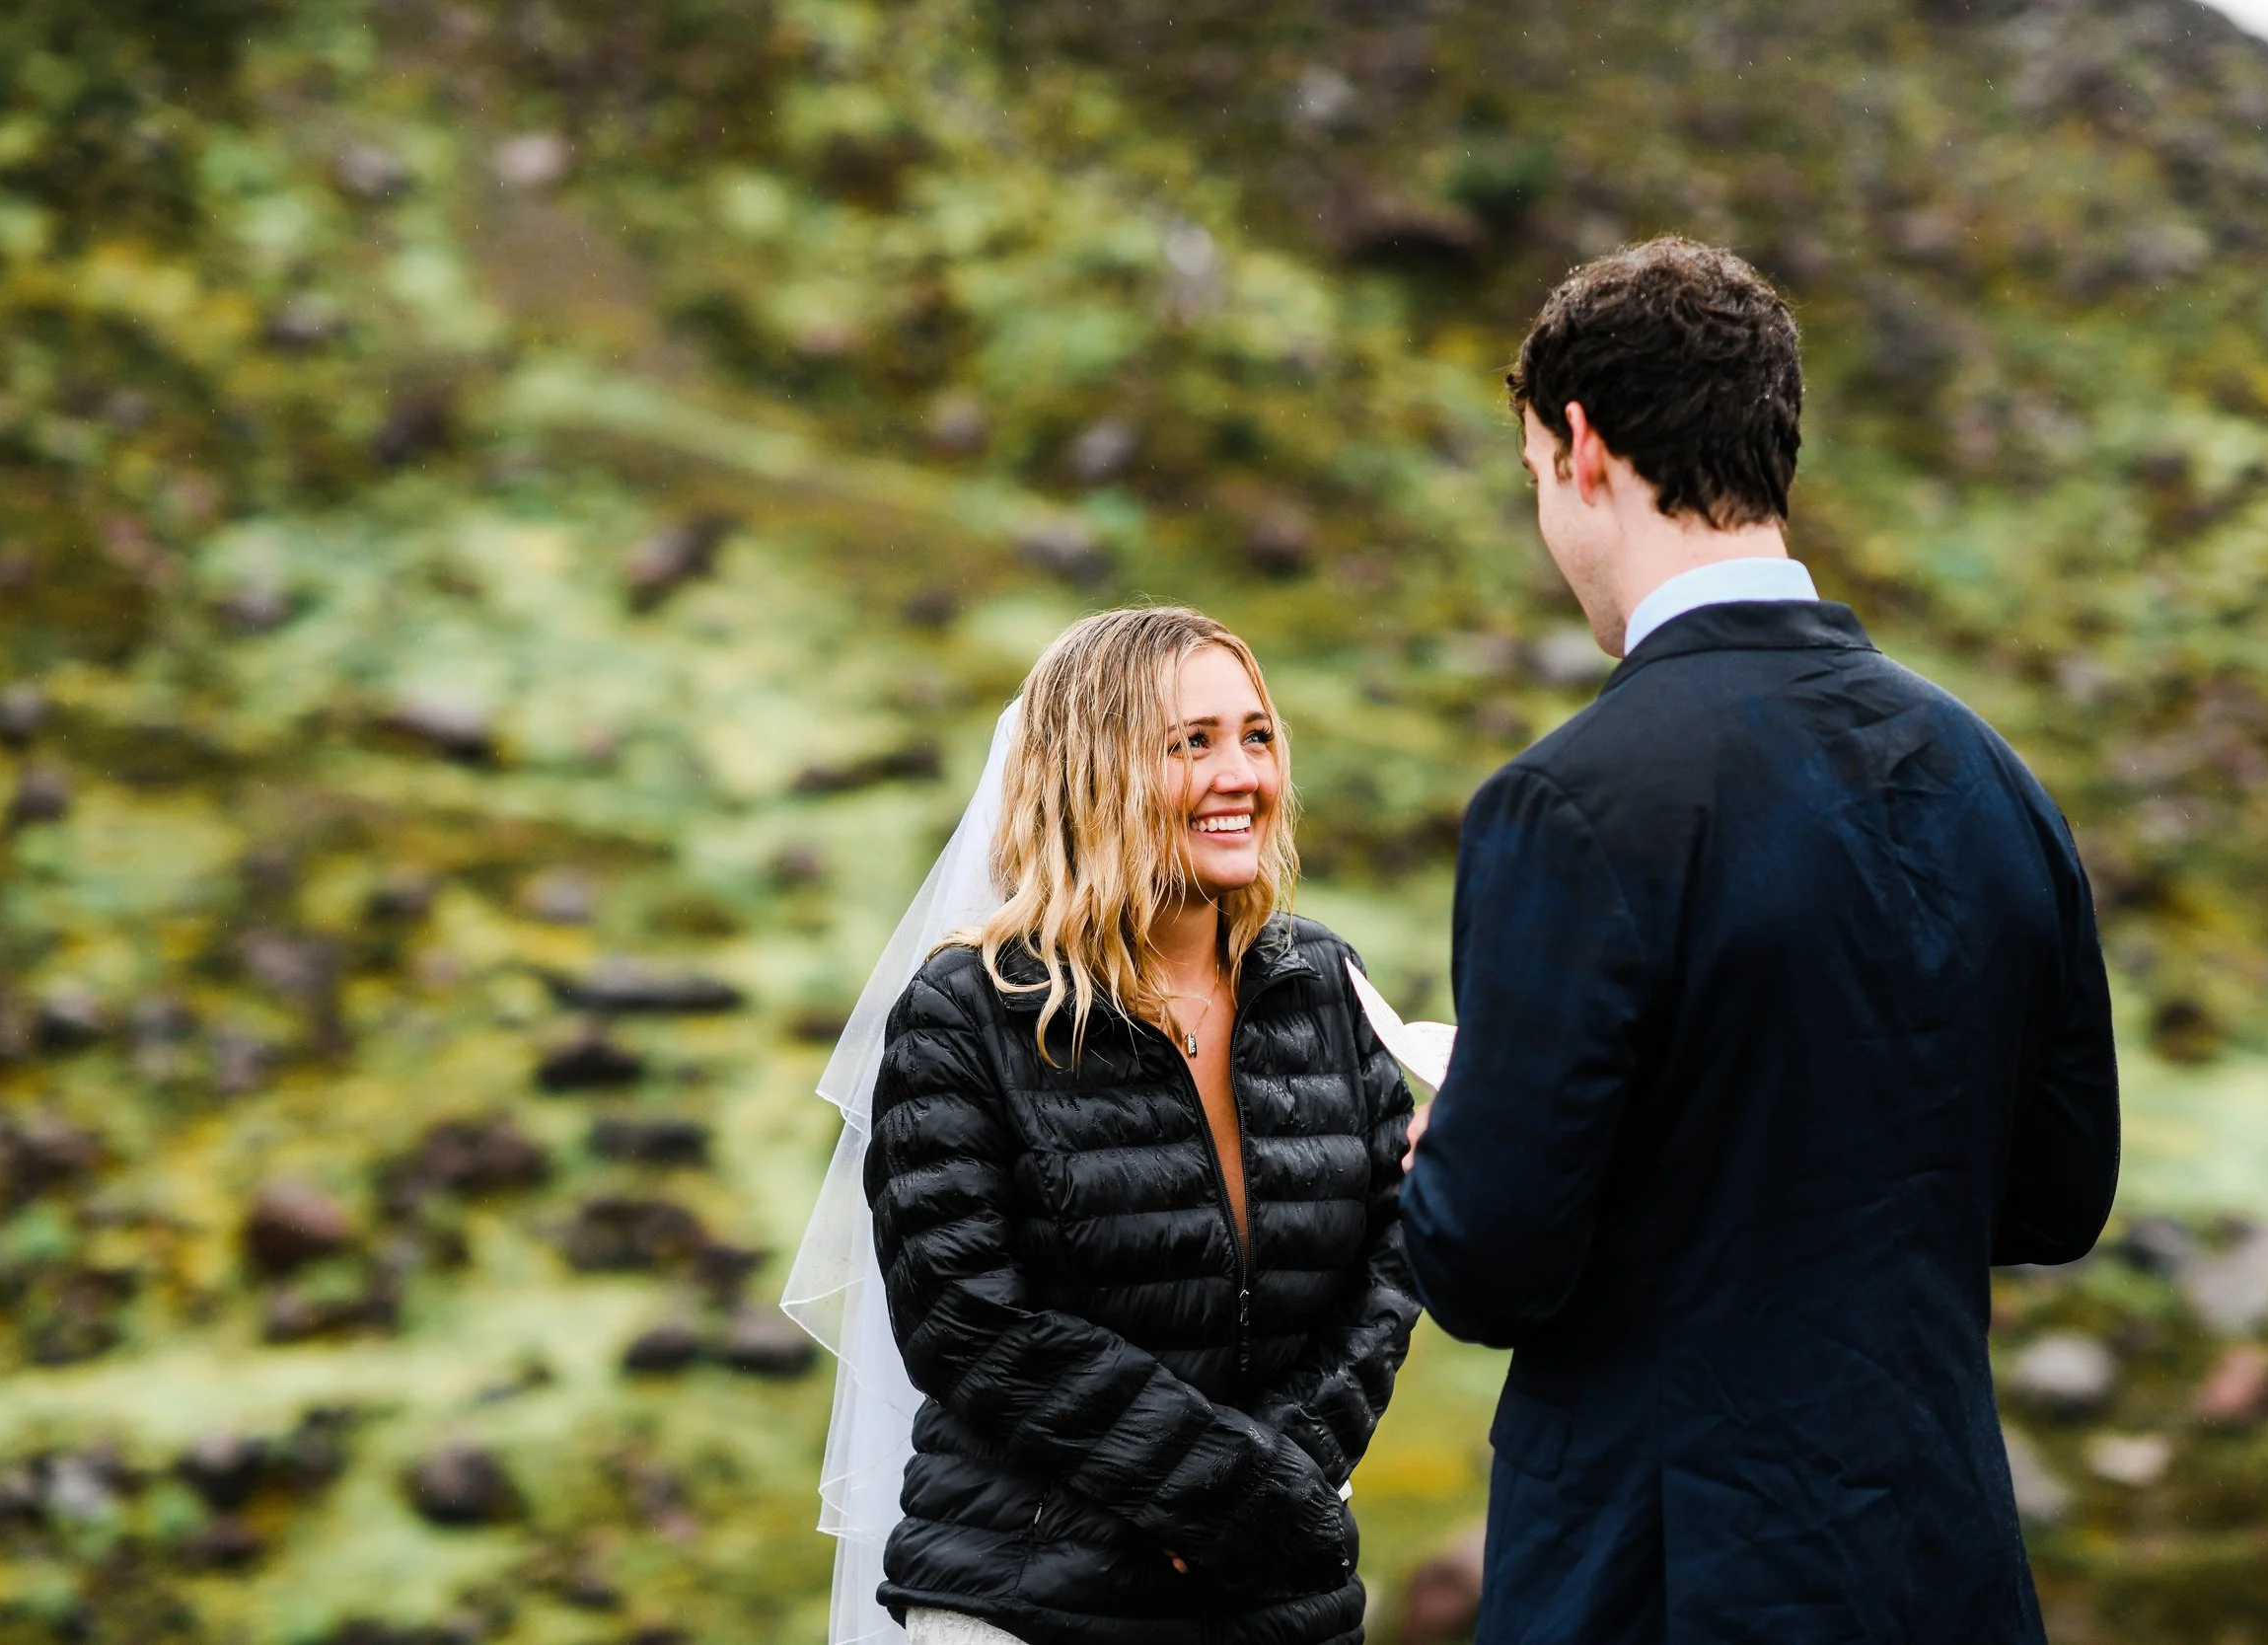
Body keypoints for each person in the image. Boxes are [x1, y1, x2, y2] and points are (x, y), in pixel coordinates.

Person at [1397, 238, 2121, 1644]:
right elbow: (2056, 1194)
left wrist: (1451, 1155)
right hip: (1942, 1563)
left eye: (1538, 475)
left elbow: (1488, 1260)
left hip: (1664, 1576)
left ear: (1582, 447)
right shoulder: (1996, 780)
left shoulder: (1568, 802)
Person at [795, 605, 1420, 1645]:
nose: (1242, 775)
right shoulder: (965, 1011)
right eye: (1191, 743)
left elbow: (1395, 1260)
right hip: (1030, 1603)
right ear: (1091, 769)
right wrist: (1218, 1491)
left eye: (1255, 735)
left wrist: (1268, 1489)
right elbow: (966, 1322)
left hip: (1279, 1605)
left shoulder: (1324, 984)